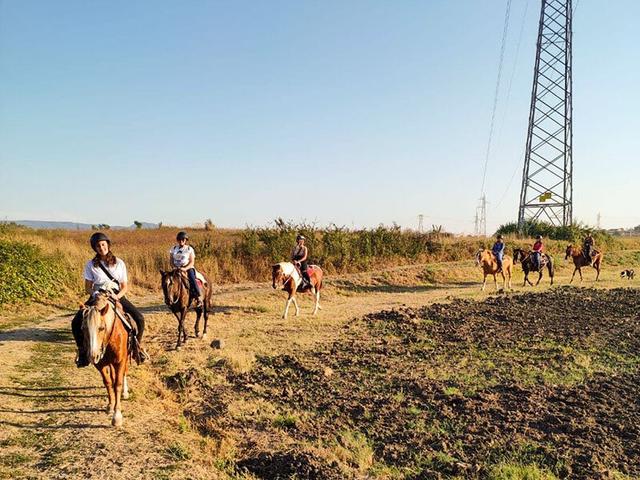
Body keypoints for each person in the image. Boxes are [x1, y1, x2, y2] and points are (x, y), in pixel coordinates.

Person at [72, 232, 147, 367]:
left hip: (116, 294)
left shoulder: (119, 263)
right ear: (95, 248)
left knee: (139, 318)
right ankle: (83, 352)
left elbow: (124, 286)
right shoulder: (90, 265)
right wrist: (95, 293)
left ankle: (137, 349)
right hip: (98, 295)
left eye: (103, 244)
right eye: (98, 246)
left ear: (108, 245)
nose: (101, 248)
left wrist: (117, 296)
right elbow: (87, 287)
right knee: (76, 321)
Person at [169, 231, 203, 307]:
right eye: (179, 239)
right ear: (177, 240)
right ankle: (169, 297)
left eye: (183, 239)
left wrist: (185, 268)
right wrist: (174, 267)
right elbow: (171, 261)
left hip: (187, 268)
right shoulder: (173, 249)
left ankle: (198, 298)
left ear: (185, 240)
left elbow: (192, 262)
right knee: (167, 280)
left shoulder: (189, 249)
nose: (181, 241)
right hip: (176, 268)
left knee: (192, 279)